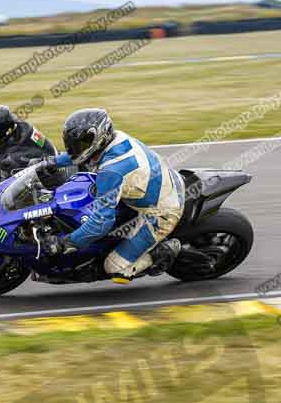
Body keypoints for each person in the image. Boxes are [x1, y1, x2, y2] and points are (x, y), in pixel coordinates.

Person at [40, 108, 184, 283]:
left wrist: (67, 243)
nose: (75, 148)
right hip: (158, 183)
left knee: (114, 268)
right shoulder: (114, 138)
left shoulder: (111, 172)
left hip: (161, 211)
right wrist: (51, 162)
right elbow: (79, 155)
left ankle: (163, 252)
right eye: (72, 143)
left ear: (98, 137)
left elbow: (101, 223)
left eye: (81, 143)